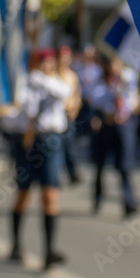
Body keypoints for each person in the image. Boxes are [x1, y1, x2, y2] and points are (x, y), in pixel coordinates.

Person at [9, 49, 70, 270]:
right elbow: (18, 109)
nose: (46, 65)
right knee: (23, 193)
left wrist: (42, 81)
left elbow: (64, 92)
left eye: (49, 62)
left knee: (50, 194)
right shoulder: (25, 84)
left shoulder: (57, 82)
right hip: (28, 142)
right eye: (42, 61)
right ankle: (16, 244)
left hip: (51, 141)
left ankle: (49, 250)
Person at [89, 56, 140, 217]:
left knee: (124, 166)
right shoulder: (100, 81)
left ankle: (128, 201)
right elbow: (94, 100)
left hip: (123, 127)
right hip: (105, 126)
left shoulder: (128, 79)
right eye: (111, 64)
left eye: (117, 64)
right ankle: (98, 197)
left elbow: (134, 101)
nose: (114, 67)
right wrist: (107, 114)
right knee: (100, 165)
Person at [57, 46, 82, 185]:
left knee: (69, 145)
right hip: (57, 114)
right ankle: (57, 173)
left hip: (68, 114)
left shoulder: (72, 75)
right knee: (57, 146)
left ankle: (72, 172)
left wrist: (74, 110)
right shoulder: (54, 73)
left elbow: (76, 95)